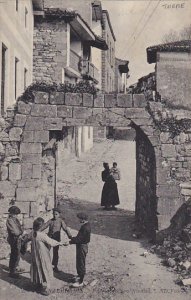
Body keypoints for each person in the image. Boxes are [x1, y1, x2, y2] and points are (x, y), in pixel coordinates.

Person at [24, 217, 68, 296]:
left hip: (35, 255)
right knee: (44, 268)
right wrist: (61, 243)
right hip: (42, 255)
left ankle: (38, 284)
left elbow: (26, 239)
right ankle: (45, 288)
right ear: (40, 226)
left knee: (36, 268)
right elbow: (51, 242)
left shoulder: (32, 233)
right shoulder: (41, 235)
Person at [39, 207, 72, 272]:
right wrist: (38, 231)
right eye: (53, 214)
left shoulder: (61, 221)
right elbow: (44, 226)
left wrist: (70, 236)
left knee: (55, 253)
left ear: (59, 214)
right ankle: (45, 265)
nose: (55, 215)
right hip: (49, 238)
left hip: (56, 239)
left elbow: (65, 229)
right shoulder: (50, 221)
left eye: (56, 214)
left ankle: (54, 266)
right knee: (46, 251)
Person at [69, 212, 91, 288]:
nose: (78, 220)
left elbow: (79, 239)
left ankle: (80, 281)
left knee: (81, 263)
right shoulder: (86, 225)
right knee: (79, 261)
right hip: (81, 245)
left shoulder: (85, 228)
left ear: (82, 219)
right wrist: (73, 239)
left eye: (79, 219)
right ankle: (79, 276)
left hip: (82, 246)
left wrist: (71, 241)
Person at [6, 205, 24, 278]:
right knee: (14, 254)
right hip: (13, 239)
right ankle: (12, 272)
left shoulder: (15, 219)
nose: (16, 216)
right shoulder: (9, 220)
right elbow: (16, 232)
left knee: (18, 254)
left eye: (17, 214)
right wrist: (21, 233)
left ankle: (16, 267)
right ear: (11, 213)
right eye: (15, 214)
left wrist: (21, 232)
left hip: (18, 239)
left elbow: (20, 227)